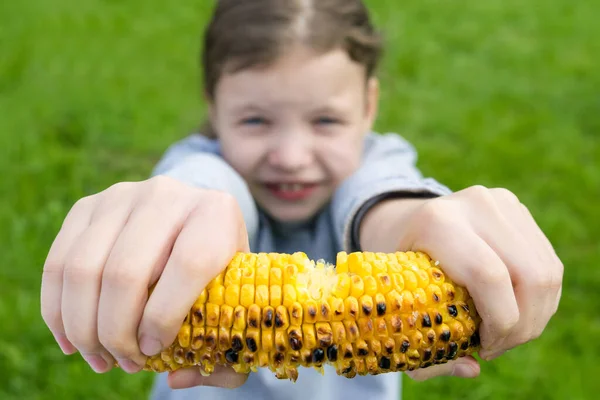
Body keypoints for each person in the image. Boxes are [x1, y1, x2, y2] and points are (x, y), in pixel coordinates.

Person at [39, 0, 564, 399]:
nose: (291, 156)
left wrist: (414, 219)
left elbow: (378, 202)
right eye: (255, 121)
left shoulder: (378, 163)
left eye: (325, 121)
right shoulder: (203, 165)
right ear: (213, 107)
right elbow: (205, 180)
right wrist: (181, 212)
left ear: (369, 104)